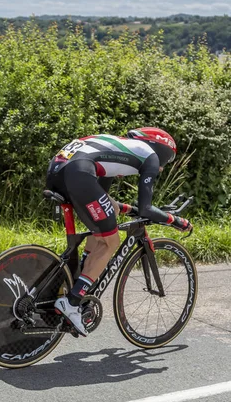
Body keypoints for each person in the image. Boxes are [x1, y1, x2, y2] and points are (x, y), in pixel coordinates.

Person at [46, 127, 192, 336]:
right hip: (78, 171)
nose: (161, 168)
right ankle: (72, 301)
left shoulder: (117, 147)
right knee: (111, 242)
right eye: (166, 162)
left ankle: (73, 281)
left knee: (100, 231)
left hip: (58, 170)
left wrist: (126, 208)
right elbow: (146, 208)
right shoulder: (149, 156)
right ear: (161, 151)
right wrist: (176, 221)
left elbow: (104, 198)